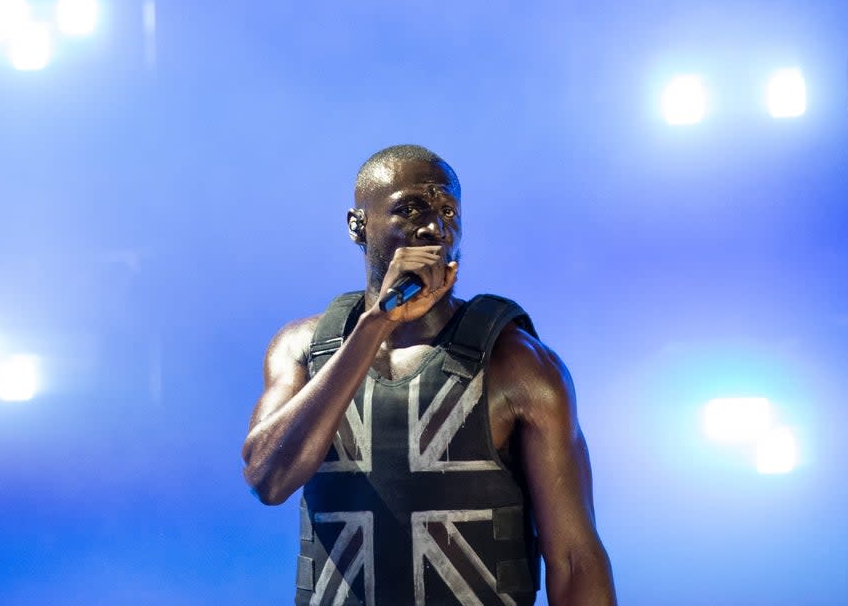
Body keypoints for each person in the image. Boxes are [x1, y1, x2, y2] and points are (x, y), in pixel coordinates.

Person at [242, 145, 616, 606]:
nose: (434, 227)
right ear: (358, 224)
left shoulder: (517, 363)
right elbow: (268, 479)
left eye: (447, 211)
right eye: (410, 207)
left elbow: (575, 558)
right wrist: (376, 324)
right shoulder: (301, 347)